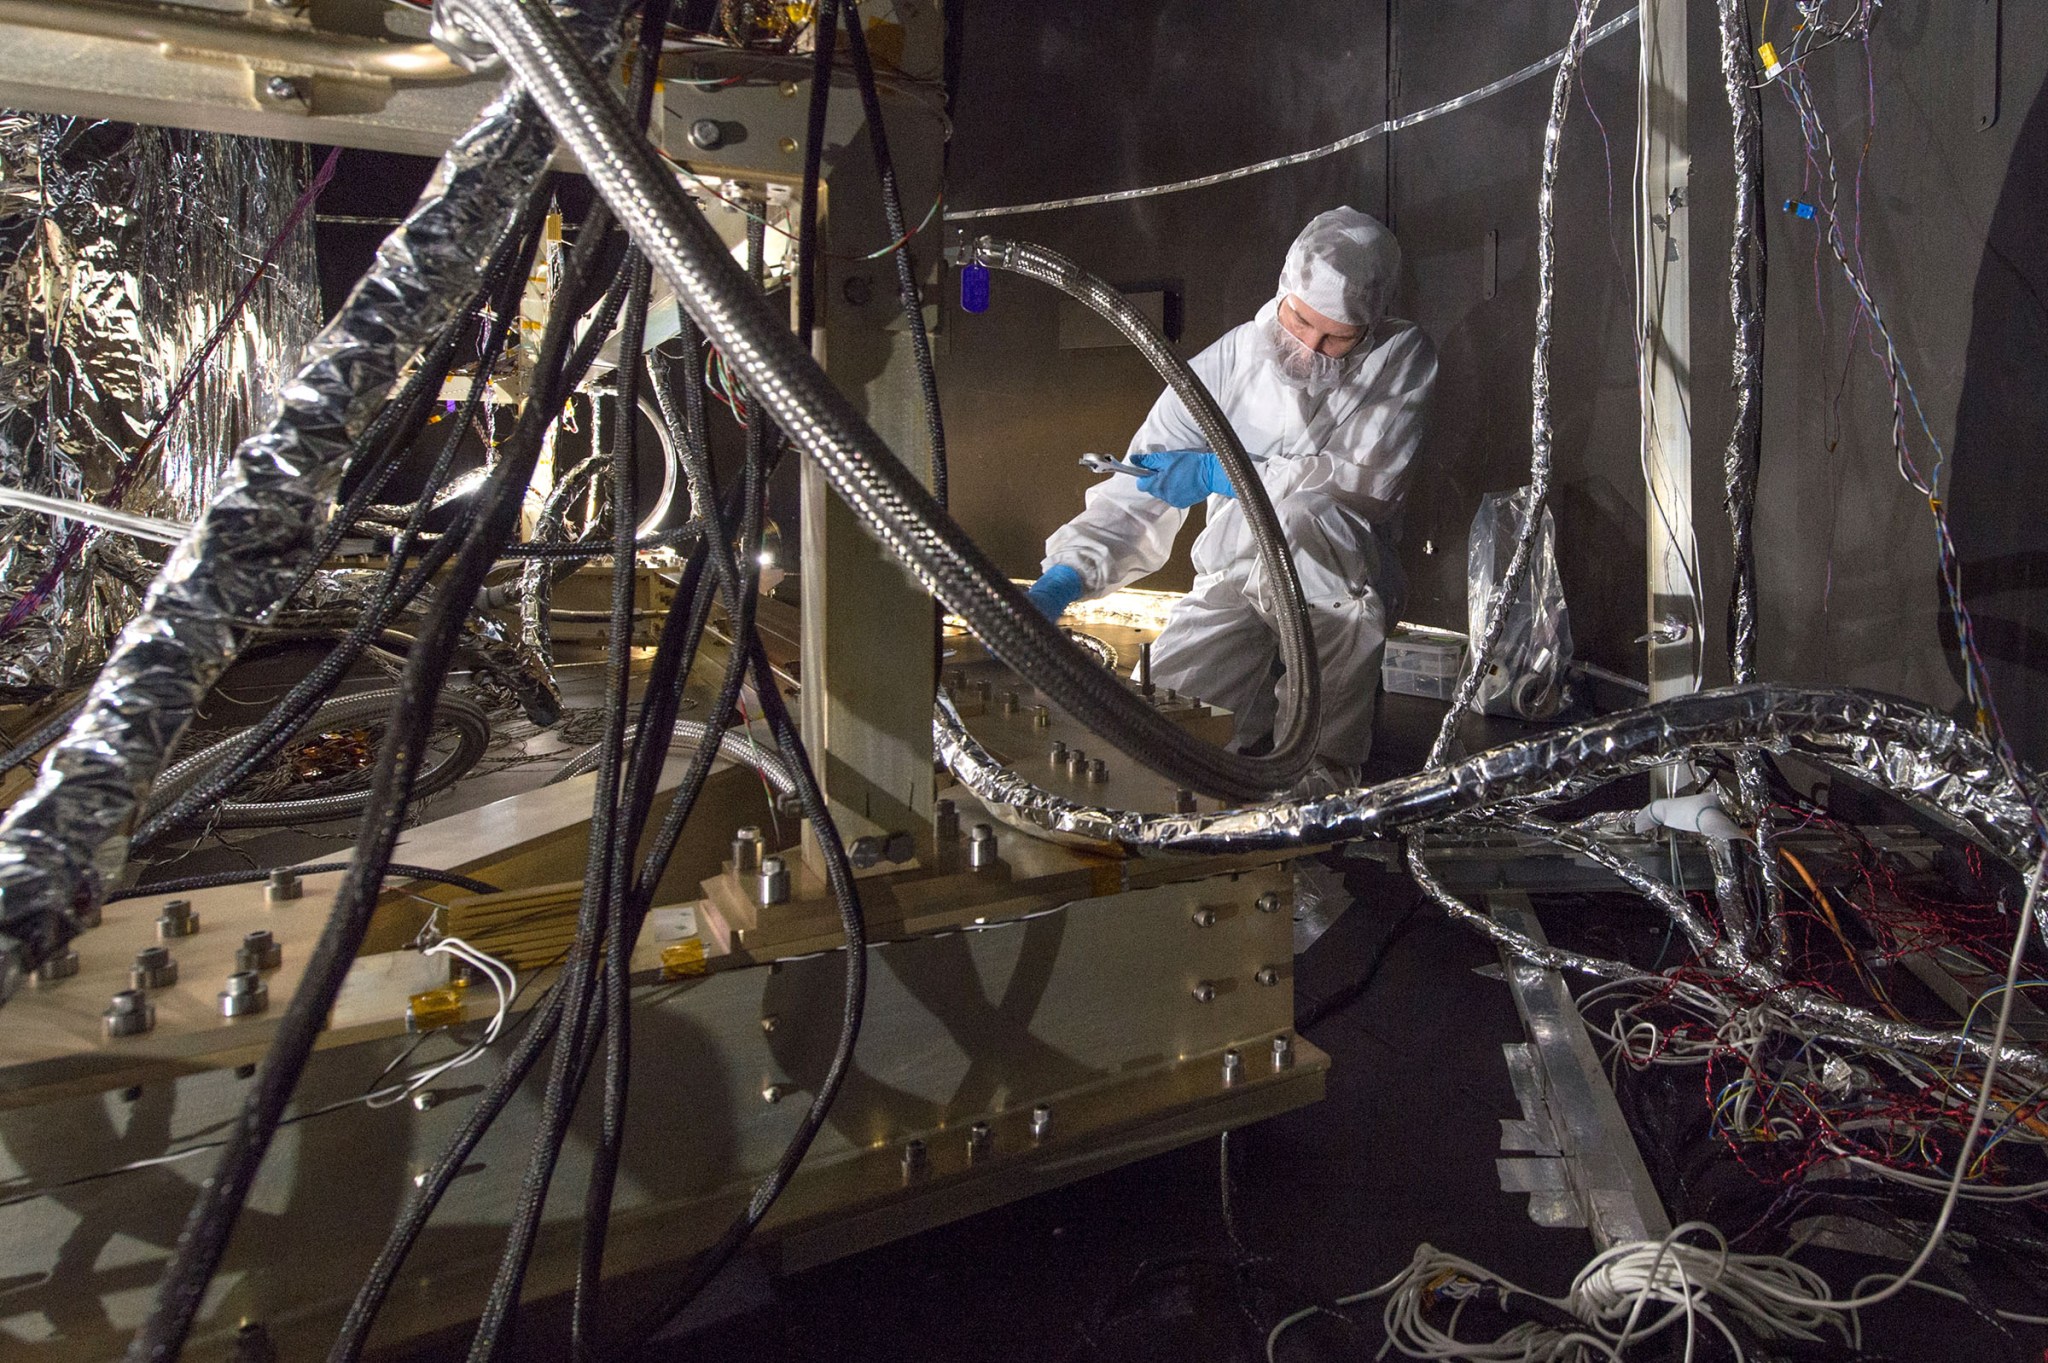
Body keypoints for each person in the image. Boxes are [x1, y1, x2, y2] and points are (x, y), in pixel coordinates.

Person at [1024, 207, 1438, 778]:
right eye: (1299, 323)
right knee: (1161, 737)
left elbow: (1366, 483)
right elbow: (1138, 488)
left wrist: (1225, 473)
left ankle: (1320, 775)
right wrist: (1064, 578)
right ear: (1283, 291)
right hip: (1234, 572)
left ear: (1368, 327)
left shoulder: (1400, 357)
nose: (1312, 348)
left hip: (1336, 577)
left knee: (1305, 518)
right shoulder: (1225, 365)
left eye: (1336, 338)